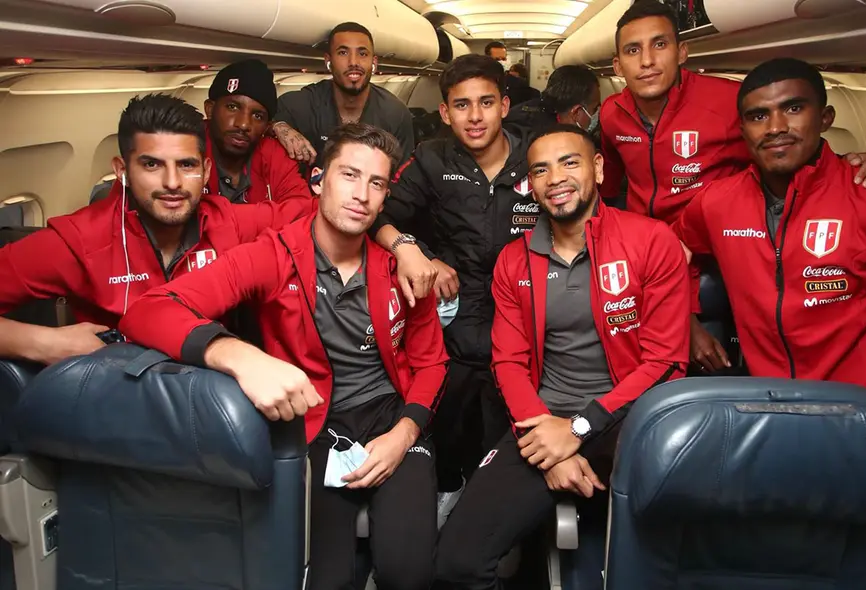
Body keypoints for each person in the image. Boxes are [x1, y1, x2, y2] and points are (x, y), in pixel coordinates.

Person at [119, 123, 446, 590]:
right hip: (314, 422)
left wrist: (404, 432)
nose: (361, 195)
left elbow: (432, 363)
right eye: (349, 175)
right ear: (319, 180)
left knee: (408, 572)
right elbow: (150, 311)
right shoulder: (275, 256)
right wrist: (233, 353)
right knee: (321, 577)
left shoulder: (404, 267)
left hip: (394, 418)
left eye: (376, 183)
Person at [435, 124, 690, 589]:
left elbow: (666, 363)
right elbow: (508, 363)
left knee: (672, 560)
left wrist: (579, 429)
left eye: (569, 162)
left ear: (597, 168)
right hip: (543, 422)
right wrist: (547, 444)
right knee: (457, 563)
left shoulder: (651, 241)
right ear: (530, 185)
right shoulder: (514, 261)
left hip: (633, 421)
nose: (555, 178)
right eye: (541, 169)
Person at [598, 0, 866, 373]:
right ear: (618, 66)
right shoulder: (611, 114)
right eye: (634, 50)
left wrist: (851, 164)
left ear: (682, 52)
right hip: (650, 255)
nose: (647, 60)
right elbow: (609, 187)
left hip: (720, 248)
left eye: (660, 45)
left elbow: (784, 146)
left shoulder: (726, 102)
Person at [673, 57, 866, 412]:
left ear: (825, 118)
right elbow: (670, 251)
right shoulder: (717, 203)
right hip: (768, 406)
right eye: (758, 116)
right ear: (742, 129)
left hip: (864, 408)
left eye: (793, 108)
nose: (775, 127)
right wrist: (687, 324)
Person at [0, 93, 312, 366]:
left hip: (204, 392)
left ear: (205, 171)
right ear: (123, 171)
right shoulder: (80, 239)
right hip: (113, 397)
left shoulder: (227, 222)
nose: (172, 183)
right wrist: (46, 344)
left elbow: (311, 211)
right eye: (152, 165)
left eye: (186, 165)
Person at [368, 54, 533, 526]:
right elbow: (378, 216)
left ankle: (505, 511)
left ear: (505, 105)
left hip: (524, 313)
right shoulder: (432, 159)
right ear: (444, 113)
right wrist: (414, 251)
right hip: (455, 314)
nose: (475, 116)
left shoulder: (536, 155)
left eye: (485, 103)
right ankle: (449, 487)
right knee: (450, 413)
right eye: (461, 105)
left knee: (511, 426)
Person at [271, 22, 415, 168]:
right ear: (328, 61)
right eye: (343, 53)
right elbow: (260, 120)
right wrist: (278, 125)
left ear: (374, 63)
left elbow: (402, 177)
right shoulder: (304, 103)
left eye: (362, 54)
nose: (353, 62)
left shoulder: (395, 113)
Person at [202, 59, 311, 203]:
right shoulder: (186, 147)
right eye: (232, 107)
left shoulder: (274, 155)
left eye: (257, 116)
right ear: (210, 109)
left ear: (267, 126)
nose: (243, 124)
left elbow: (301, 207)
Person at [504, 65, 601, 137]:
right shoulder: (541, 142)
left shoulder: (531, 114)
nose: (597, 116)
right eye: (595, 109)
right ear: (577, 113)